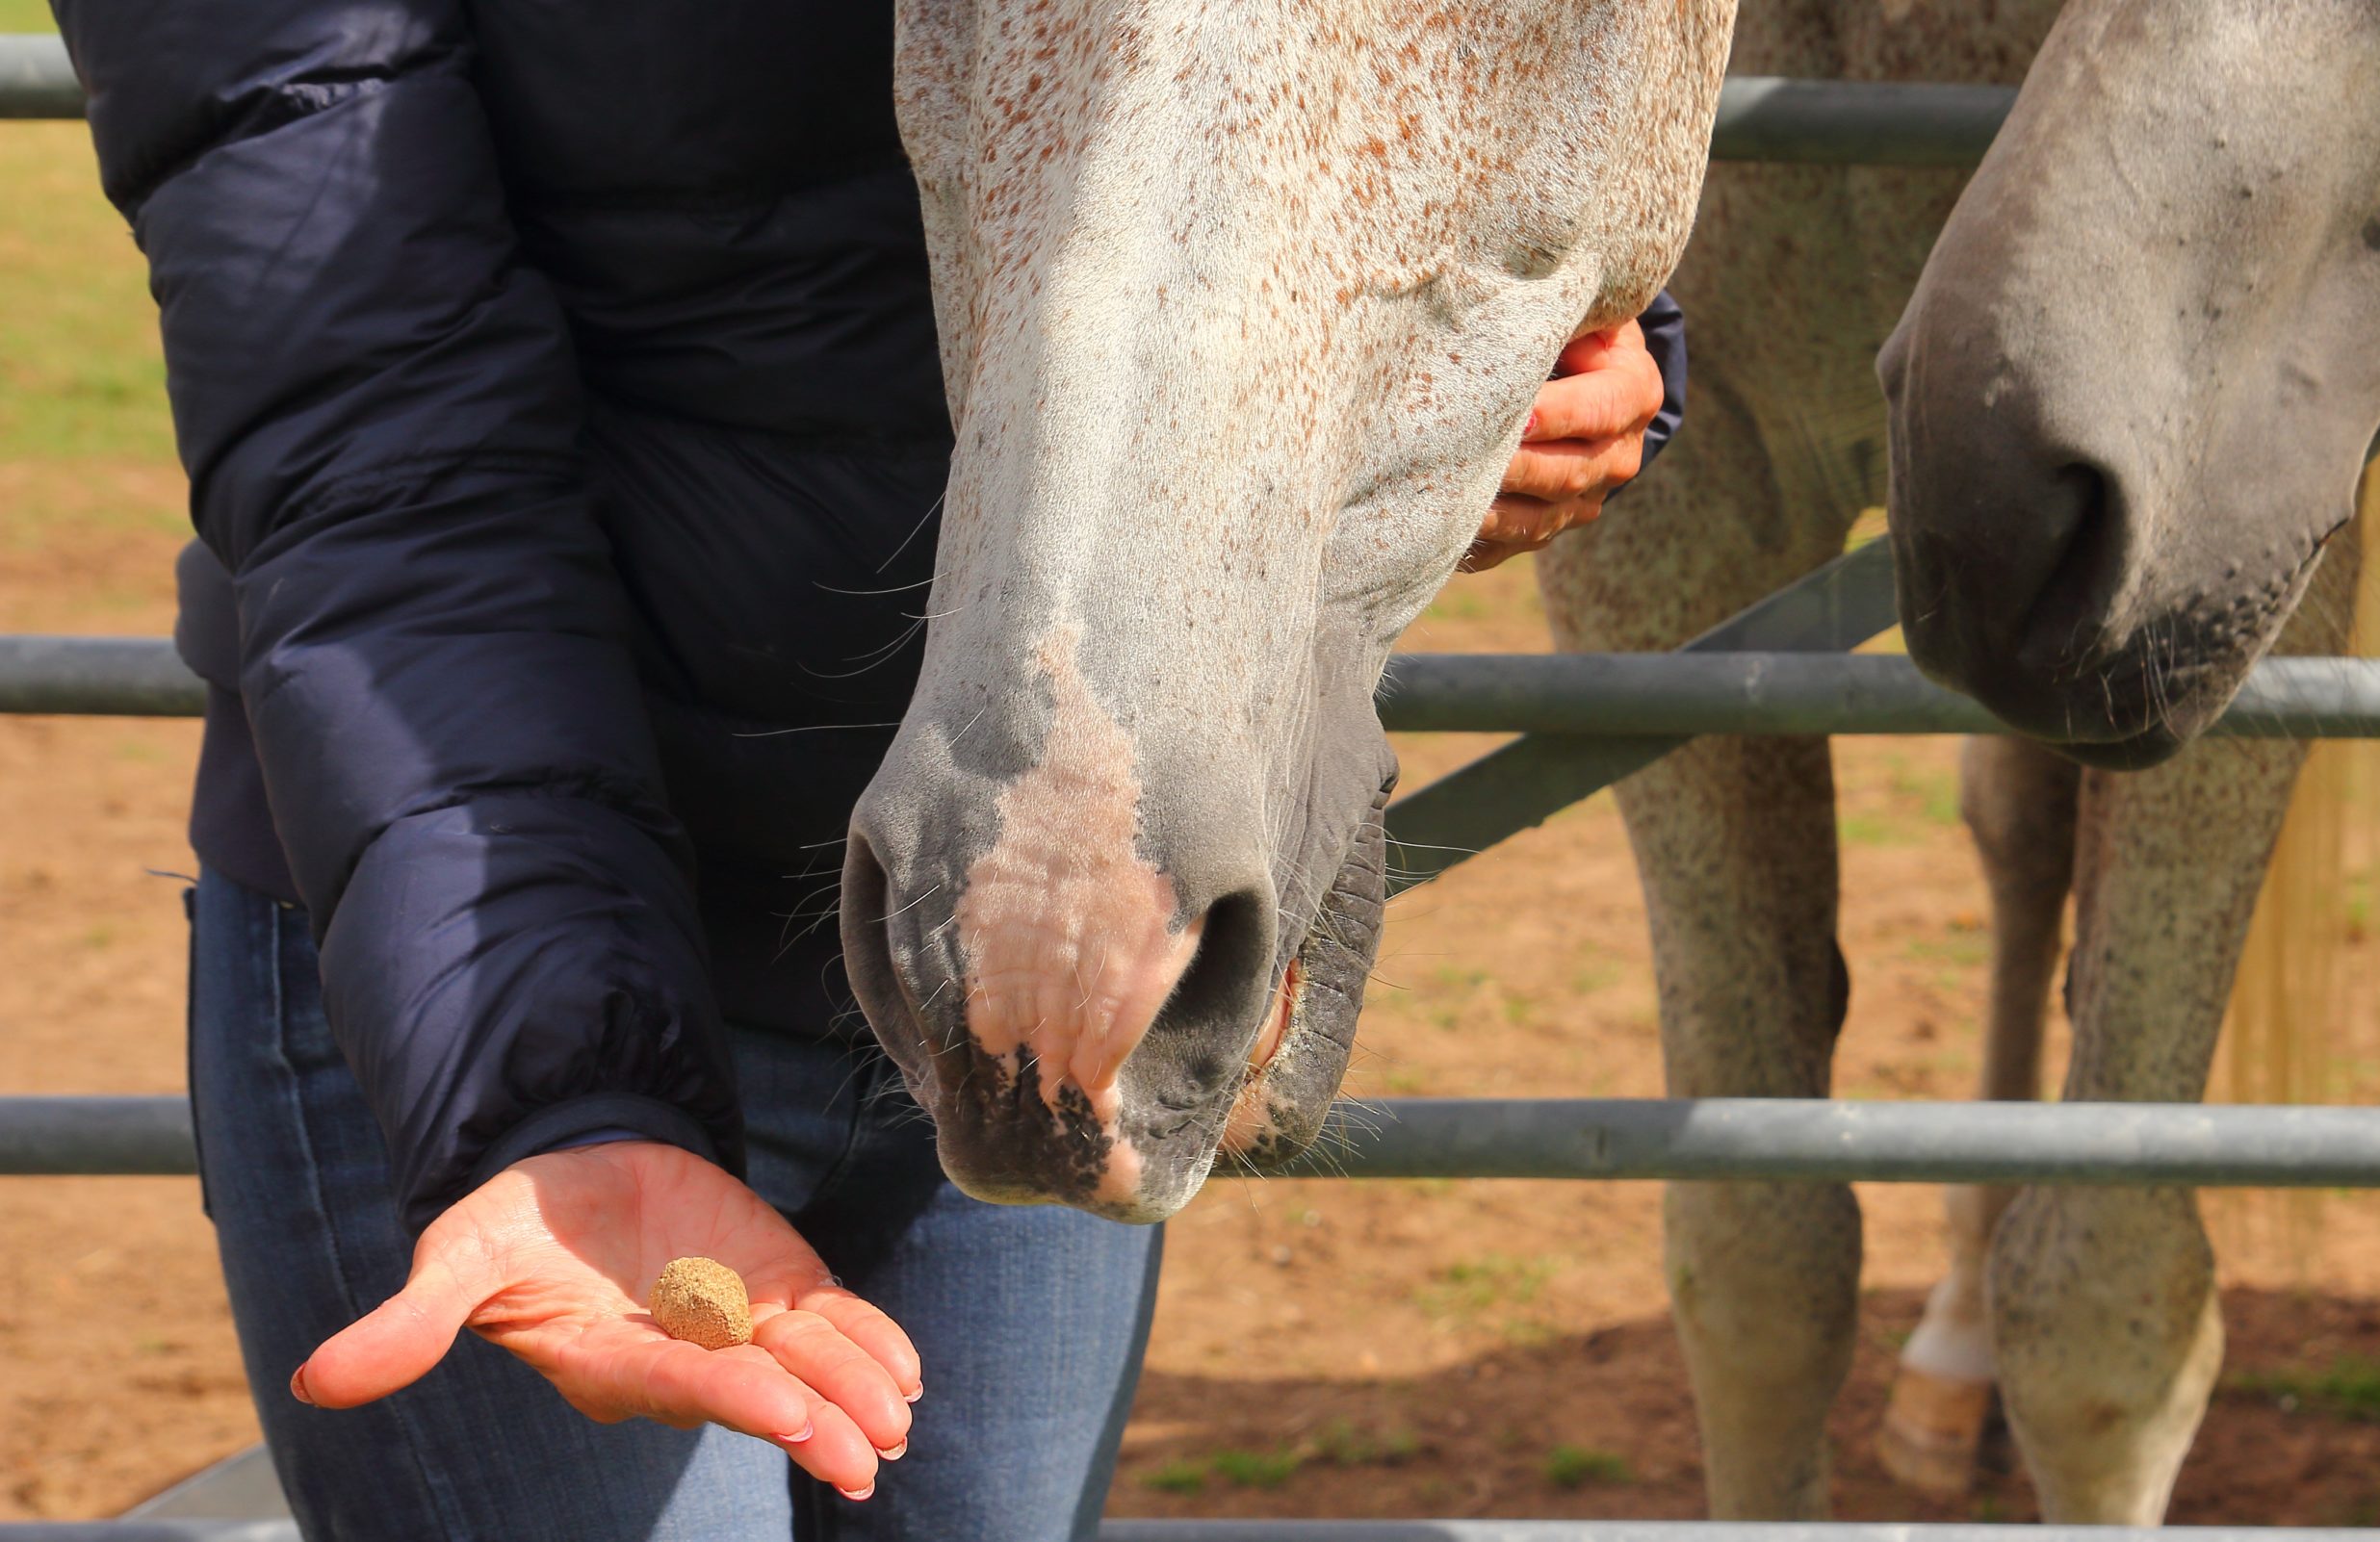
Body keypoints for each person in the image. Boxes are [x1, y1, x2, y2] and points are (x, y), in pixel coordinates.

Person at [54, 3, 1684, 1537]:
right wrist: (551, 1079)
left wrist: (1564, 339)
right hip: (479, 960)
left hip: (1026, 926)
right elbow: (368, 410)